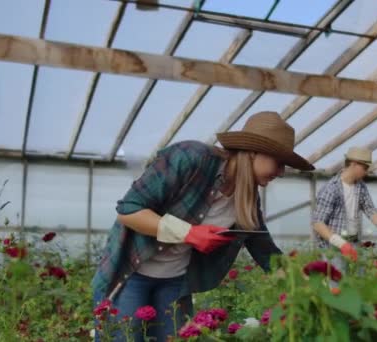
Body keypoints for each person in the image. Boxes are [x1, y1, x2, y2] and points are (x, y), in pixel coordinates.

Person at [91, 111, 314, 341]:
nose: (281, 172)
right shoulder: (191, 158)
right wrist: (190, 233)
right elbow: (129, 210)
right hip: (131, 274)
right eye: (279, 163)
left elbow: (266, 253)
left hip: (175, 284)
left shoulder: (246, 200)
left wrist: (310, 286)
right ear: (255, 152)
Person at [312, 146, 377, 262]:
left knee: (357, 278)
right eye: (365, 167)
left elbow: (370, 209)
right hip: (333, 248)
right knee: (338, 279)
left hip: (353, 243)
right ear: (353, 164)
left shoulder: (360, 186)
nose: (366, 171)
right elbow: (318, 223)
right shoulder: (331, 189)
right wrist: (341, 244)